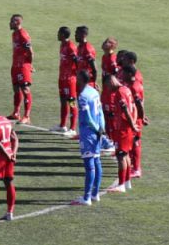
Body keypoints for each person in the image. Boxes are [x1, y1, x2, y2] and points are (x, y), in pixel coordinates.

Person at [72, 69, 105, 206]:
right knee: (97, 161)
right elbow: (101, 112)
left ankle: (86, 198)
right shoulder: (95, 92)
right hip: (98, 132)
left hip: (89, 133)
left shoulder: (83, 96)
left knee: (89, 165)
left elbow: (87, 117)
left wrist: (96, 129)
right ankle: (95, 194)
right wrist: (101, 128)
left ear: (80, 79)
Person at [105, 72, 139, 193]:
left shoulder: (119, 93)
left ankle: (121, 185)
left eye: (108, 86)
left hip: (123, 129)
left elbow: (126, 111)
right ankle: (127, 182)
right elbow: (134, 107)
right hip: (127, 128)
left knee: (120, 156)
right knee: (126, 155)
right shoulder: (126, 89)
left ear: (111, 82)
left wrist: (132, 125)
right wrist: (134, 123)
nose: (108, 89)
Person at [120, 54, 148, 179]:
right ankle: (132, 166)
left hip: (135, 117)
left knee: (135, 142)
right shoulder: (132, 80)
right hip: (132, 115)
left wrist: (142, 117)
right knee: (132, 142)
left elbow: (139, 102)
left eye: (125, 59)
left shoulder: (135, 83)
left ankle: (136, 169)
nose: (122, 61)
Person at [50, 26, 78, 136]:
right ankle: (62, 125)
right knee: (63, 101)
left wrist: (75, 76)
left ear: (62, 34)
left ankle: (72, 128)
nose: (57, 34)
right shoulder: (62, 45)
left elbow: (77, 63)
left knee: (71, 102)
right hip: (62, 78)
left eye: (58, 33)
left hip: (70, 80)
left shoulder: (71, 47)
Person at [8, 13, 32, 124]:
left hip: (23, 67)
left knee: (25, 89)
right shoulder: (14, 34)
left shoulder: (23, 35)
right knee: (16, 89)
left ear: (17, 22)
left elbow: (30, 52)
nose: (9, 23)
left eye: (12, 21)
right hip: (15, 65)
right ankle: (16, 113)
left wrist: (29, 65)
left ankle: (27, 116)